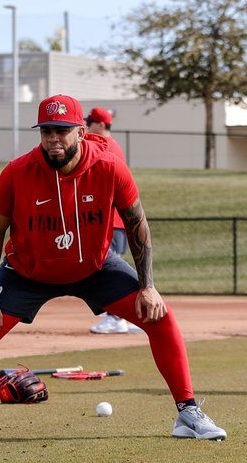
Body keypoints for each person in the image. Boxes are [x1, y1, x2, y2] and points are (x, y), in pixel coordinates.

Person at [0, 94, 227, 449]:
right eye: (47, 131)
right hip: (26, 272)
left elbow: (137, 223)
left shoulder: (109, 166)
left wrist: (148, 286)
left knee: (161, 317)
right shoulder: (17, 173)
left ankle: (187, 413)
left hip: (95, 268)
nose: (54, 139)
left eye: (62, 131)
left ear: (80, 132)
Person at [84, 106, 137, 334]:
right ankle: (126, 314)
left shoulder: (104, 145)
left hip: (111, 220)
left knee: (109, 270)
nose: (87, 125)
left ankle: (117, 317)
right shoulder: (110, 145)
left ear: (102, 125)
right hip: (113, 220)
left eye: (91, 121)